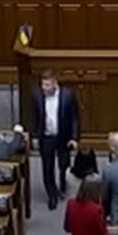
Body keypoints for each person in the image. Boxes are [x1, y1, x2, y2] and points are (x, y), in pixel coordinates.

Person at [32, 70, 80, 210]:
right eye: (43, 85)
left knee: (64, 165)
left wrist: (74, 138)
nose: (44, 88)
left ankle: (63, 187)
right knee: (47, 167)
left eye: (47, 85)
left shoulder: (67, 95)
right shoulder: (37, 95)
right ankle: (52, 195)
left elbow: (75, 118)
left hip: (63, 136)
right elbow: (35, 118)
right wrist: (35, 136)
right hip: (46, 137)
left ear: (55, 83)